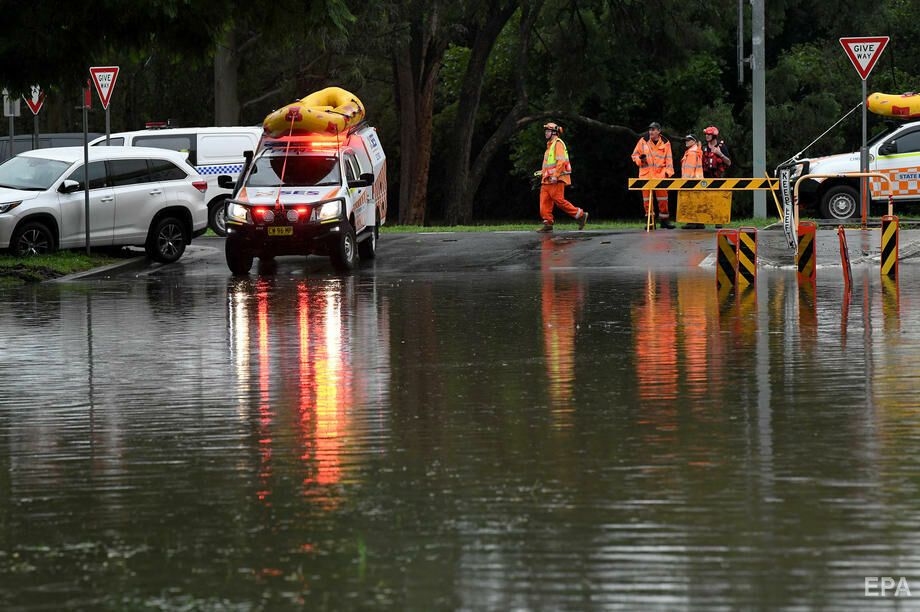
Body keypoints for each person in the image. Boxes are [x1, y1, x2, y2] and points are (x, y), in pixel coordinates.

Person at [537, 122, 588, 232]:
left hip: (556, 180)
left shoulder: (558, 143)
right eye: (546, 131)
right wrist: (542, 172)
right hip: (546, 180)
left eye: (548, 131)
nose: (546, 133)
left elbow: (561, 161)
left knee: (559, 201)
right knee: (543, 203)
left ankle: (580, 215)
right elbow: (549, 164)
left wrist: (555, 175)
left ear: (554, 133)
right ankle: (548, 224)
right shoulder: (549, 145)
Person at [631, 122, 674, 229]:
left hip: (660, 175)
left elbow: (669, 159)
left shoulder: (665, 143)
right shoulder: (643, 141)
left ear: (659, 131)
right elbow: (634, 155)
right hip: (646, 175)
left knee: (663, 199)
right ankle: (650, 222)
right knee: (647, 201)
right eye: (650, 130)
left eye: (653, 130)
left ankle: (664, 221)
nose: (651, 132)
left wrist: (668, 173)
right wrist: (641, 160)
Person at [701, 125, 731, 228]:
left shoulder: (721, 147)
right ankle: (702, 221)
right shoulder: (703, 147)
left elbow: (729, 163)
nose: (707, 136)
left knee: (718, 199)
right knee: (705, 200)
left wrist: (720, 154)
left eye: (709, 134)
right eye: (706, 134)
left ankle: (718, 221)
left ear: (714, 136)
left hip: (718, 177)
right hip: (705, 177)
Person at [680, 134, 705, 229]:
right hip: (697, 180)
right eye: (685, 140)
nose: (686, 141)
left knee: (691, 202)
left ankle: (691, 222)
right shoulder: (696, 151)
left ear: (694, 141)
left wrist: (685, 183)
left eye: (688, 140)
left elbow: (689, 170)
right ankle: (699, 223)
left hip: (691, 181)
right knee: (697, 202)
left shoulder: (691, 152)